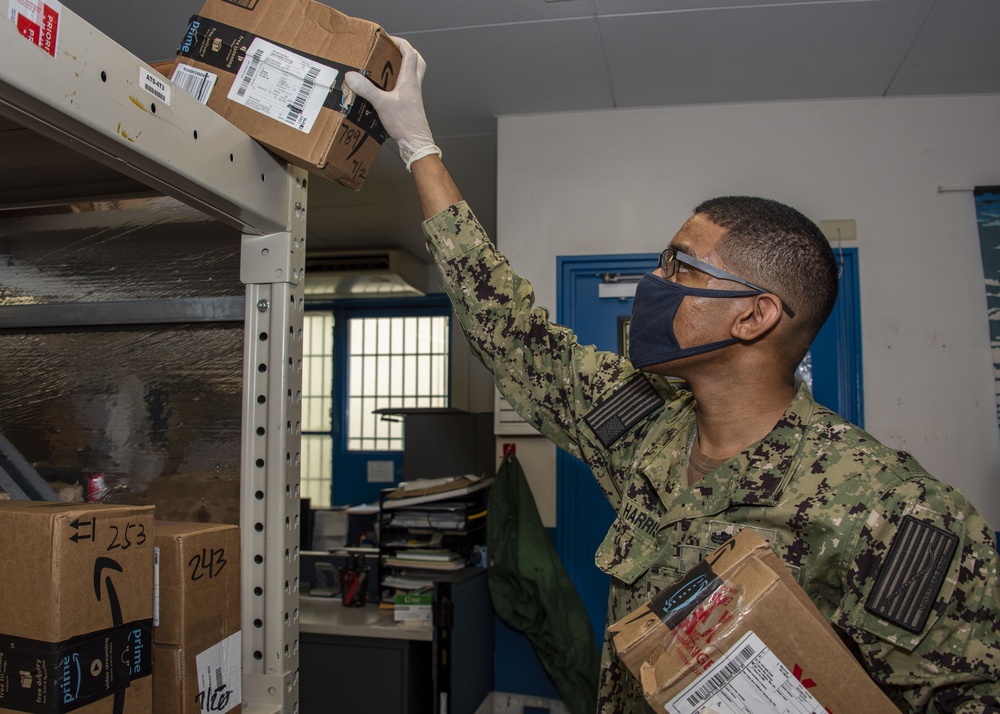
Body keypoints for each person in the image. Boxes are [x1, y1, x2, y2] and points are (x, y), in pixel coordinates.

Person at [344, 39, 1000, 713]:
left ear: (754, 316)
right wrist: (419, 144)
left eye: (680, 266)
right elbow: (513, 334)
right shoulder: (646, 428)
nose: (653, 282)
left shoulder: (893, 515)